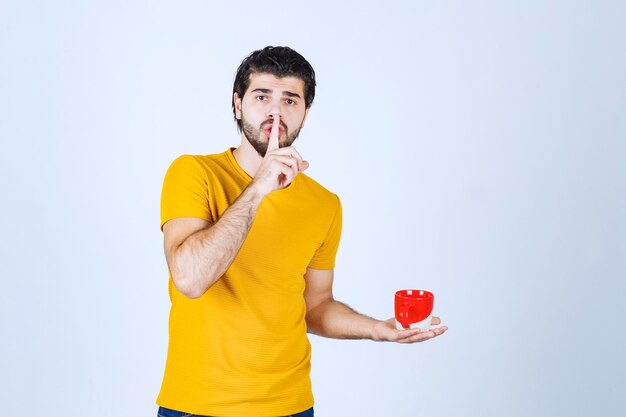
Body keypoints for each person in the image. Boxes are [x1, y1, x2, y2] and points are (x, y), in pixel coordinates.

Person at [156, 46, 448, 417]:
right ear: (237, 104)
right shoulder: (193, 173)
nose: (275, 111)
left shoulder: (324, 204)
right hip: (197, 405)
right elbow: (191, 279)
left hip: (291, 407)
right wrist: (259, 187)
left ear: (305, 114)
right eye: (262, 97)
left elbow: (316, 306)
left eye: (290, 100)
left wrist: (377, 329)